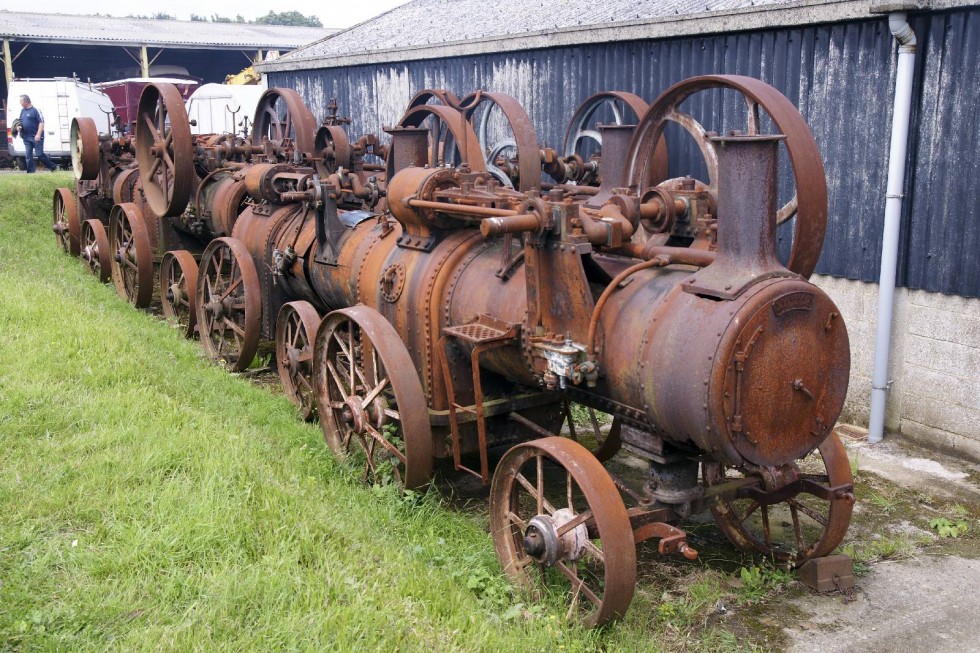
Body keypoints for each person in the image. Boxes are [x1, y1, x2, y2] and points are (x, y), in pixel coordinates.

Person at [17, 95, 58, 173]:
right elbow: (20, 121)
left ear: (26, 101)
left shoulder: (35, 110)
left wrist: (38, 134)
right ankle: (30, 172)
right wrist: (18, 126)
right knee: (28, 155)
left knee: (39, 154)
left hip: (36, 136)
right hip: (26, 137)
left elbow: (41, 122)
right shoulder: (22, 111)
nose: (20, 103)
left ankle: (53, 167)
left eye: (21, 101)